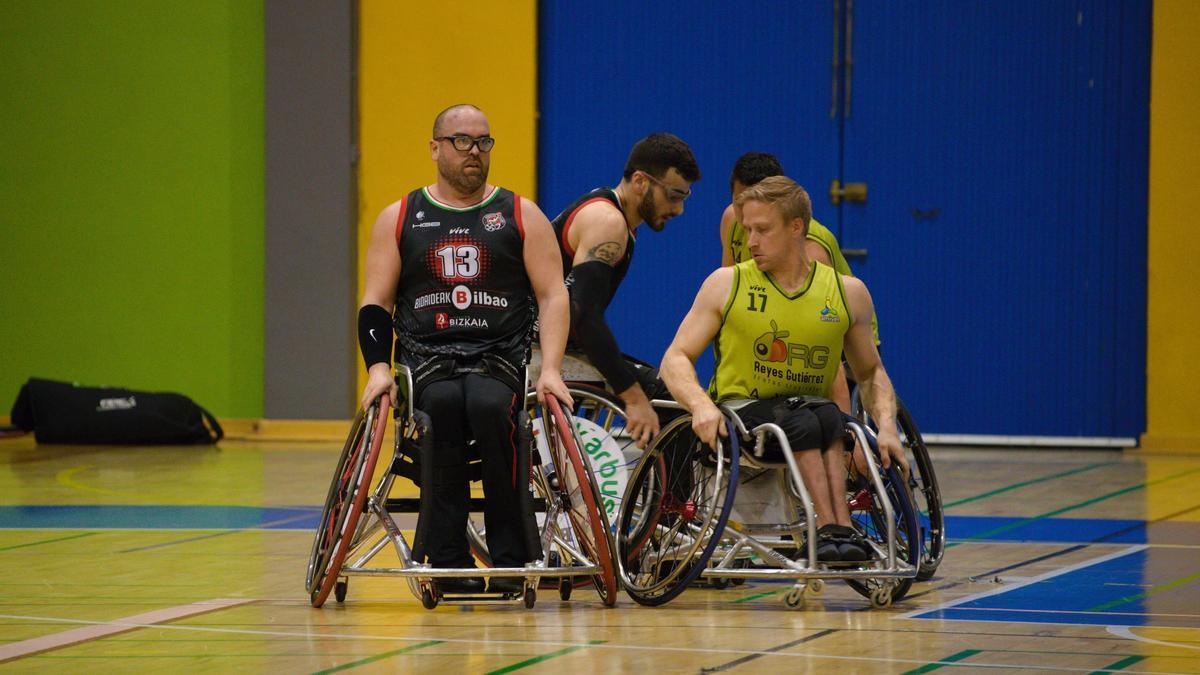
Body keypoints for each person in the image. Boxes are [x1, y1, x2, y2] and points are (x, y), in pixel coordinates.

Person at [357, 103, 573, 593]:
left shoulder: (521, 214)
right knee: (442, 408)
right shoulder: (401, 216)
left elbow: (553, 294)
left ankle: (511, 557)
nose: (474, 151)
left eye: (483, 142)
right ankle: (448, 560)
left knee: (490, 406)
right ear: (435, 148)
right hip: (427, 359)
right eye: (462, 141)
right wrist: (376, 369)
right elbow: (375, 302)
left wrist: (552, 368)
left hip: (498, 357)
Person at [662, 176, 905, 562]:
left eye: (762, 230)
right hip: (743, 414)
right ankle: (829, 527)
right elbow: (675, 358)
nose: (751, 241)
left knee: (829, 417)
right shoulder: (727, 284)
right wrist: (700, 405)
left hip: (811, 411)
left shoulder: (847, 292)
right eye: (747, 230)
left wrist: (887, 429)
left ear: (796, 228)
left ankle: (838, 531)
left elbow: (871, 373)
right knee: (811, 420)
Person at [549, 133, 700, 448]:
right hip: (539, 347)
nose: (679, 209)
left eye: (685, 197)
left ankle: (666, 497)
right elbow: (583, 316)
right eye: (673, 195)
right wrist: (632, 397)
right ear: (641, 182)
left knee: (664, 386)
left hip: (556, 341)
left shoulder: (613, 216)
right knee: (668, 396)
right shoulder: (607, 221)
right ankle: (672, 500)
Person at [718, 152, 879, 412]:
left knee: (834, 430)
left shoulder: (810, 247)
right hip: (784, 325)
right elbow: (729, 296)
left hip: (838, 332)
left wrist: (844, 430)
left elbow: (824, 337)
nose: (744, 215)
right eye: (739, 202)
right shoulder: (732, 220)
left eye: (760, 217)